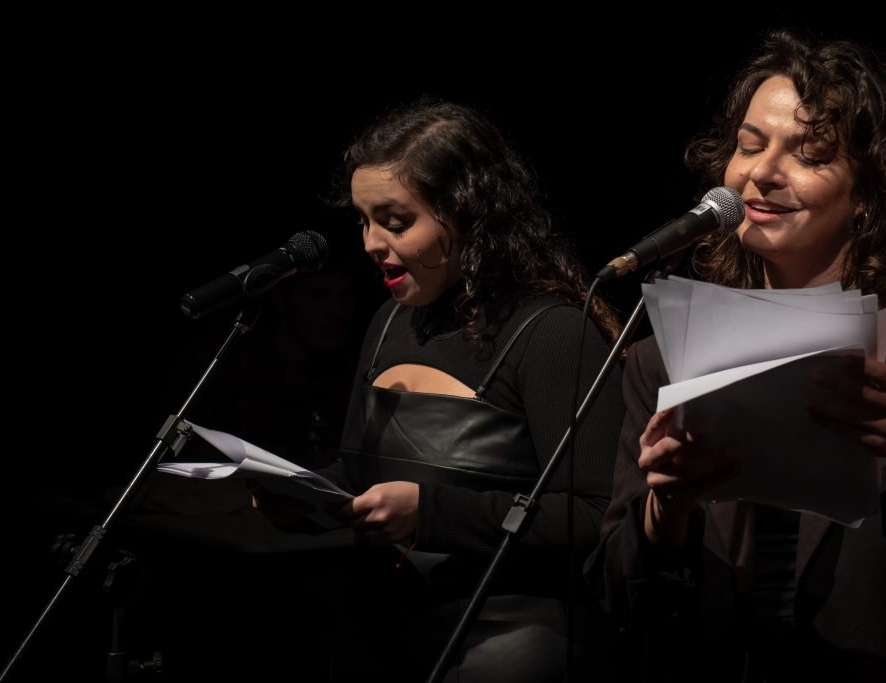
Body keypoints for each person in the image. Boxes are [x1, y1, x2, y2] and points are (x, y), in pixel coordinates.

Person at [584, 29, 886, 682]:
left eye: (810, 153)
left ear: (869, 192)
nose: (762, 173)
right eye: (749, 146)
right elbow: (618, 596)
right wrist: (666, 508)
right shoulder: (665, 357)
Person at [251, 97, 626, 682]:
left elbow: (598, 515)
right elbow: (366, 472)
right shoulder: (390, 324)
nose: (372, 242)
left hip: (515, 629)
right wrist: (308, 498)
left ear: (468, 215)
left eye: (396, 222)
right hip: (384, 620)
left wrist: (432, 514)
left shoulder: (551, 333)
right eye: (364, 220)